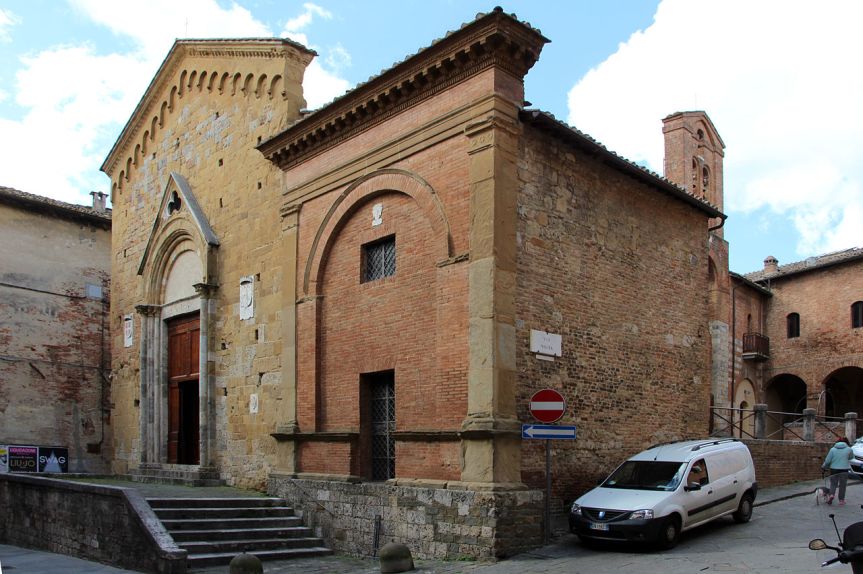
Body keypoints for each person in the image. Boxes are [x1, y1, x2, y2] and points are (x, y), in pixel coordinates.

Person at [822, 438, 854, 505]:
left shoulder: (832, 449)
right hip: (844, 469)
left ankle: (831, 495)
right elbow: (851, 458)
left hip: (834, 469)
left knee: (833, 483)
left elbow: (827, 461)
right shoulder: (849, 449)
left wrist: (824, 467)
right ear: (846, 443)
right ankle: (841, 500)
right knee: (843, 485)